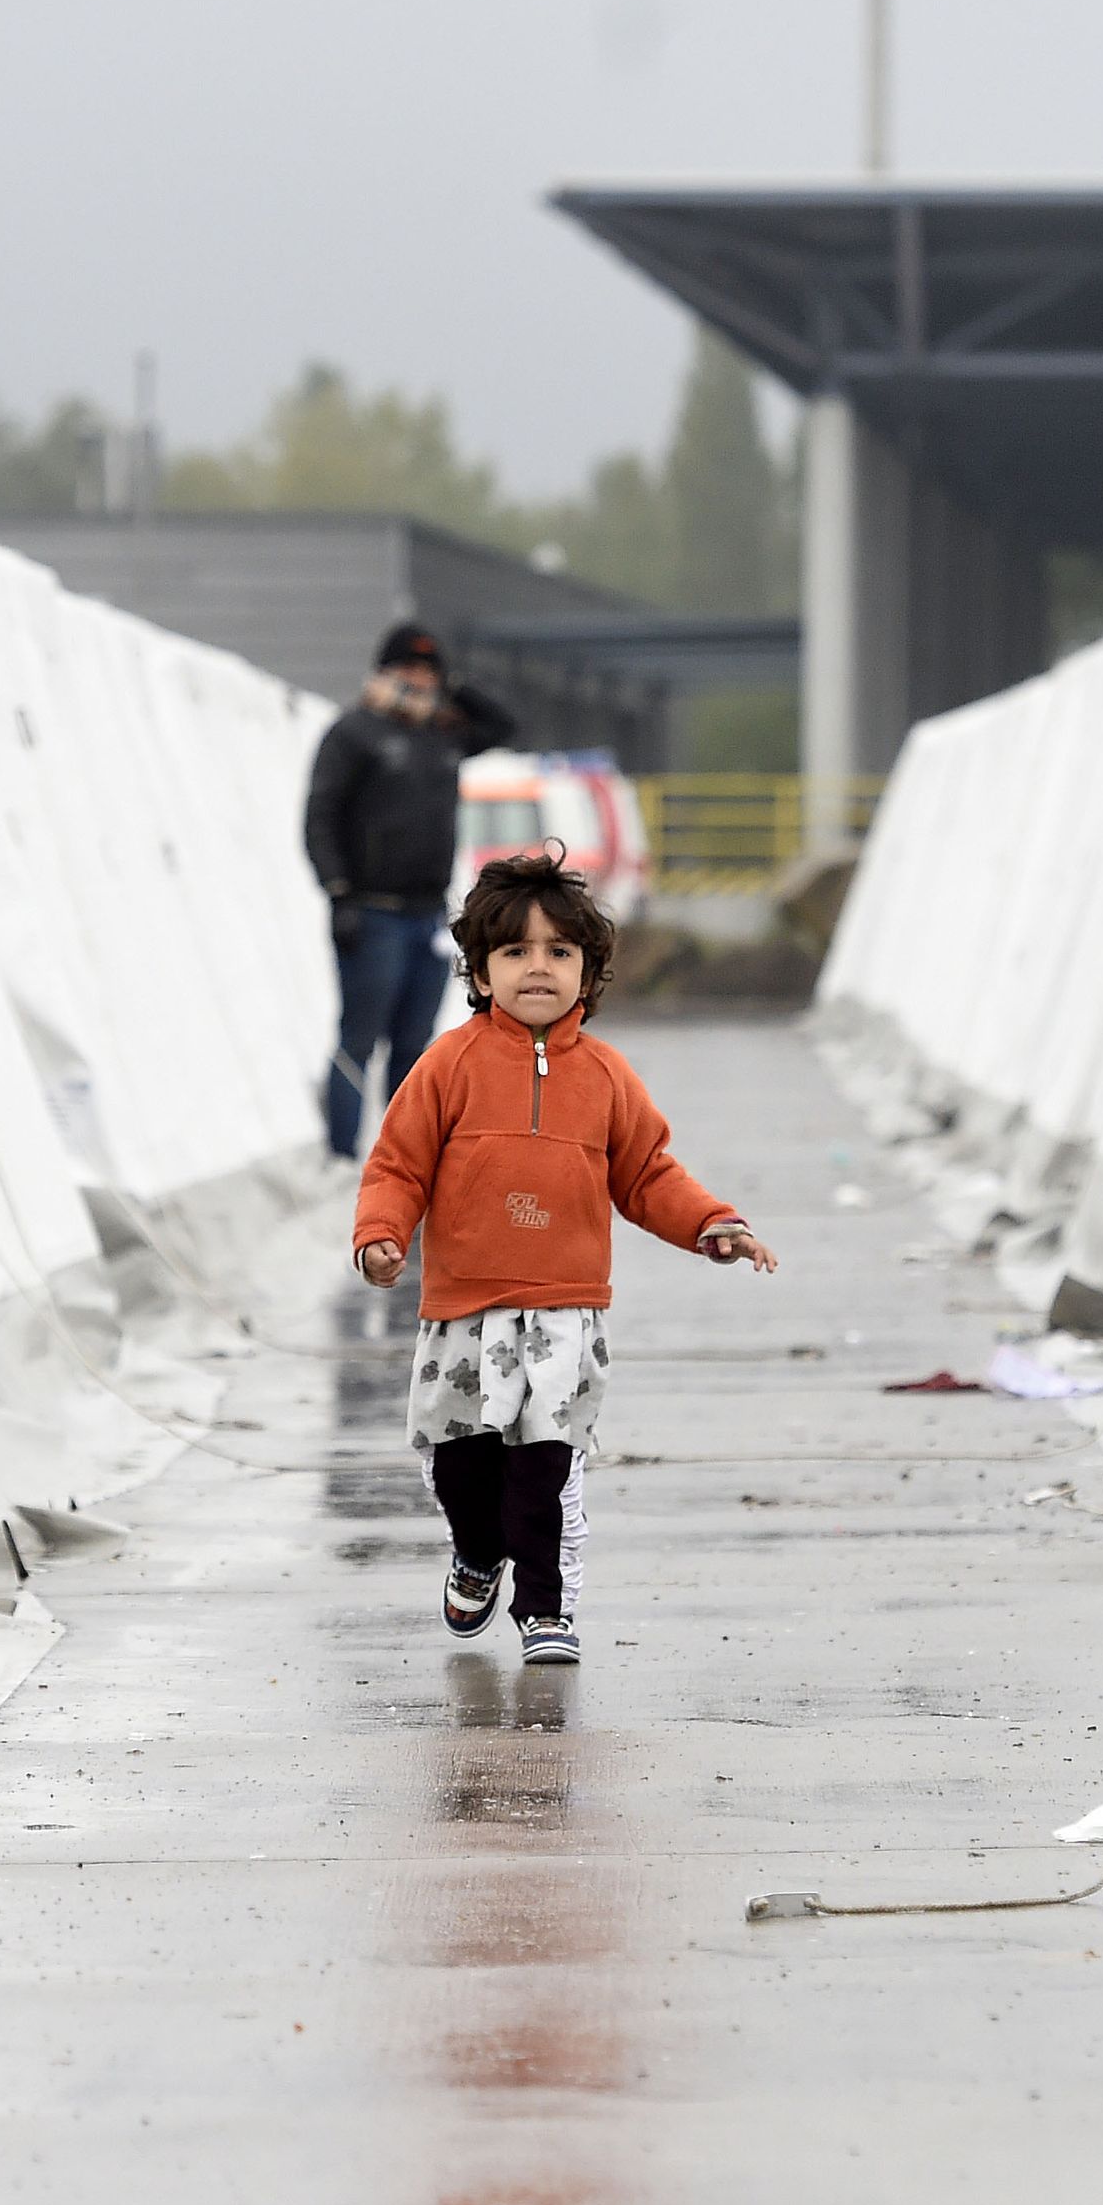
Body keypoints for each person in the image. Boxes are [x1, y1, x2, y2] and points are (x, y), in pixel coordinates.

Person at [350, 852, 778, 1666]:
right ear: (481, 973)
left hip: (564, 1314)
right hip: (465, 1310)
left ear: (589, 969)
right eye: (515, 952)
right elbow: (398, 1165)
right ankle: (477, 1553)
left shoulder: (607, 1076)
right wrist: (381, 1234)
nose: (538, 967)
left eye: (559, 951)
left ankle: (544, 1607)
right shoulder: (448, 1064)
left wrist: (710, 1223)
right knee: (461, 1469)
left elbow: (648, 1173)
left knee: (542, 1470)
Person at [304, 621, 519, 1157]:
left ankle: (405, 1162)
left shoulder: (443, 734)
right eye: (408, 669)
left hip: (429, 916)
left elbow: (504, 725)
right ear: (383, 673)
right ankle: (341, 1156)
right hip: (372, 913)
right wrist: (338, 891)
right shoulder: (354, 732)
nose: (419, 681)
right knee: (359, 1040)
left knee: (415, 1047)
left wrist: (454, 685)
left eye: (428, 672)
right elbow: (320, 816)